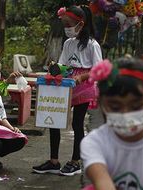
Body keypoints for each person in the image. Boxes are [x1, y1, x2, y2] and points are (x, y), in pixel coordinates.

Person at [33, 5, 103, 176]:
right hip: (66, 85)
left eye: (69, 24)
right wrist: (54, 69)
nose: (66, 28)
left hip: (84, 86)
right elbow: (63, 66)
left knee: (77, 124)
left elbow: (98, 69)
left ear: (81, 23)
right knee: (54, 121)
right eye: (64, 24)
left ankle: (75, 162)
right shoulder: (68, 43)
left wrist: (81, 77)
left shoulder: (92, 45)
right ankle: (54, 161)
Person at [81, 57, 143, 189]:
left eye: (136, 106)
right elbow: (102, 181)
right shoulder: (95, 142)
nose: (125, 114)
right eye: (115, 107)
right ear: (101, 103)